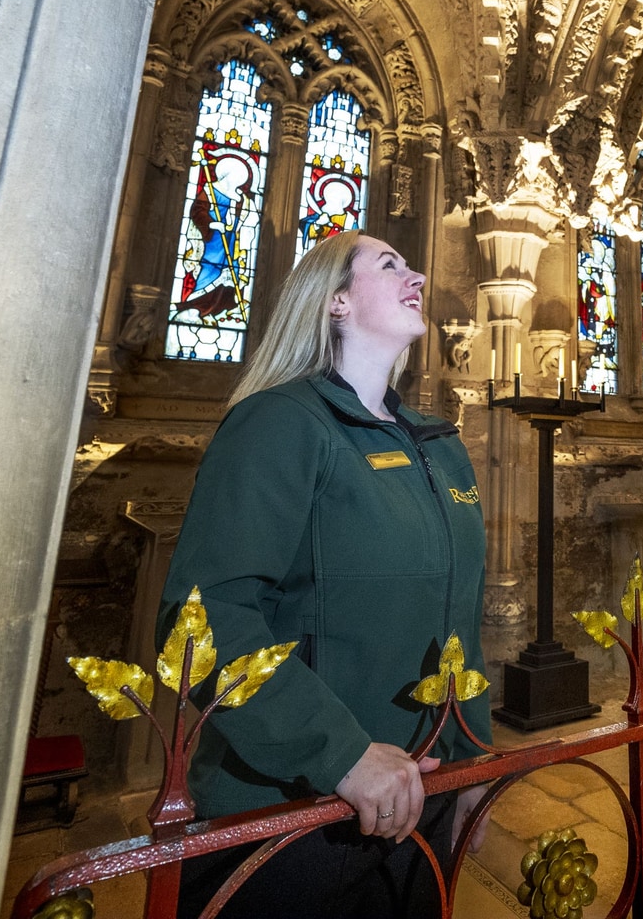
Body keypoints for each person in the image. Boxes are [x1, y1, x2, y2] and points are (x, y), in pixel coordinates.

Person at [162, 231, 491, 918]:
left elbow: (461, 621)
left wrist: (474, 765)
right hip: (294, 806)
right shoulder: (278, 423)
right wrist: (341, 755)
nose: (419, 275)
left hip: (419, 794)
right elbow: (206, 616)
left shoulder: (439, 444)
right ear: (337, 301)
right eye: (391, 264)